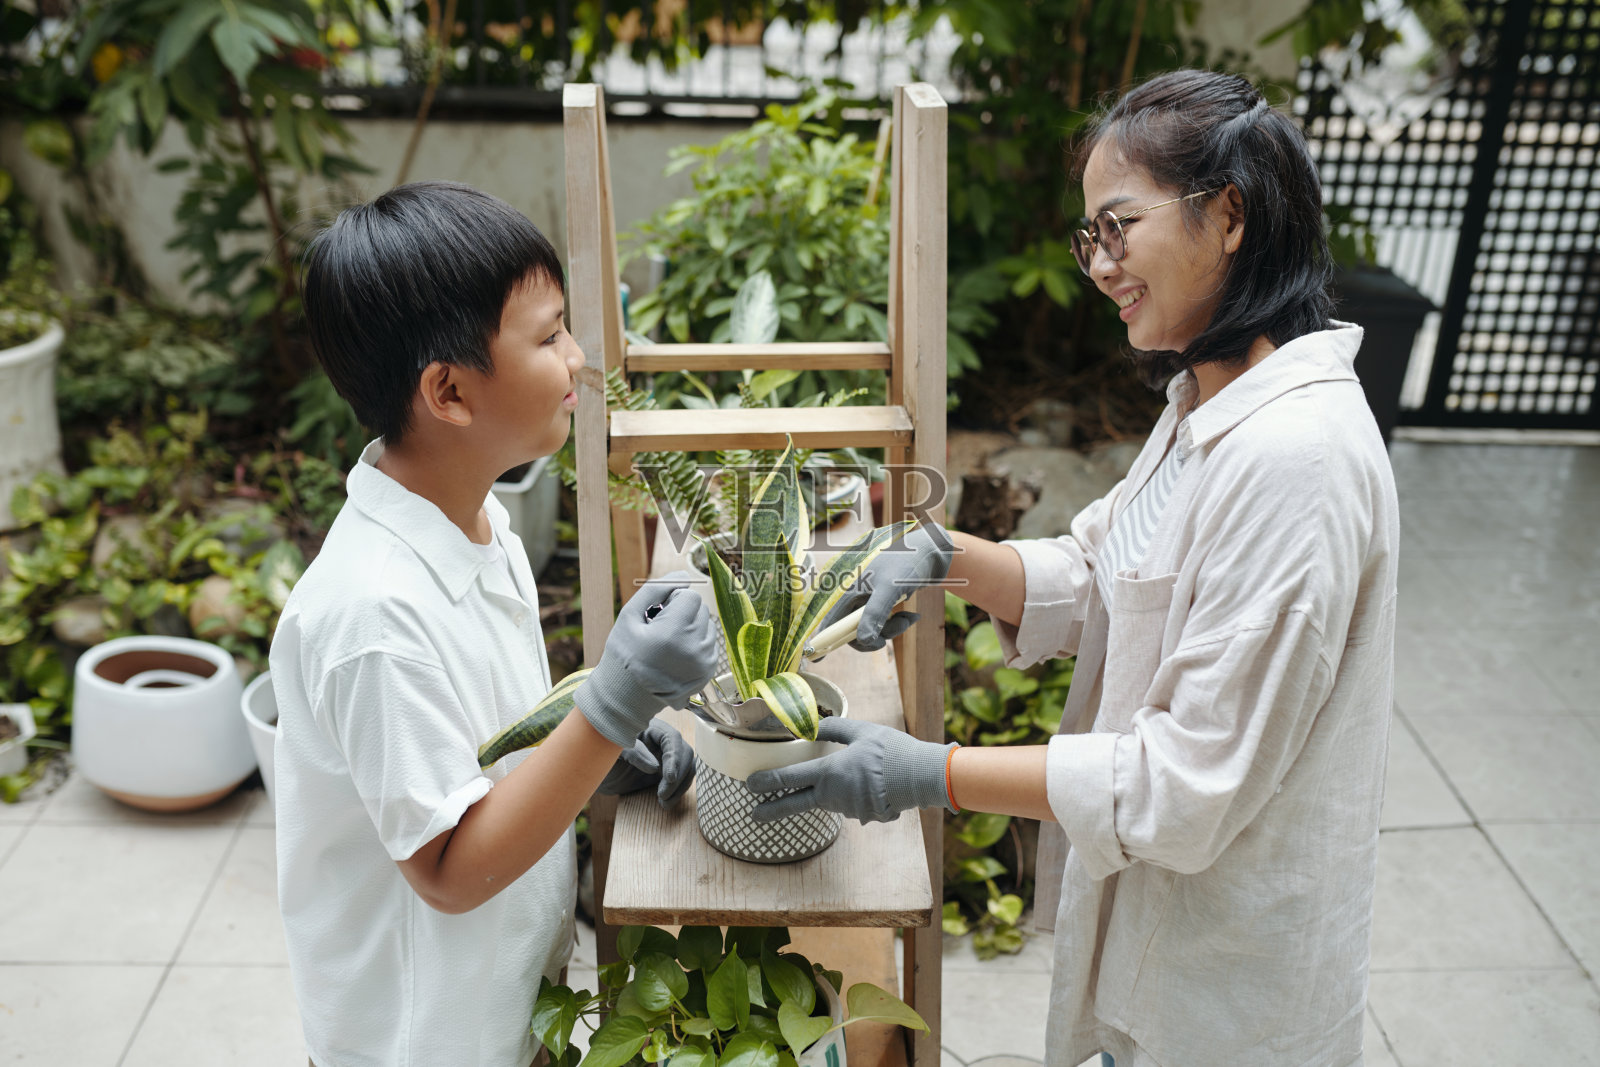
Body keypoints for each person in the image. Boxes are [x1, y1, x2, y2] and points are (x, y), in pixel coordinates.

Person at [752, 70, 1399, 1067]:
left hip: (1224, 974)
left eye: (1117, 225)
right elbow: (1109, 566)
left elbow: (1182, 781)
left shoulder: (1294, 457)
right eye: (1087, 237)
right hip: (1162, 919)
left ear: (1228, 213)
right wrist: (940, 556)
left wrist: (932, 775)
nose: (1099, 265)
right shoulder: (1209, 397)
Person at [271, 181, 721, 1067]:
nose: (580, 358)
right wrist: (610, 706)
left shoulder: (478, 523)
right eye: (549, 335)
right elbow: (447, 868)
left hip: (505, 1013)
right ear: (449, 392)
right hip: (422, 1043)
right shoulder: (373, 617)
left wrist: (599, 754)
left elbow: (487, 750)